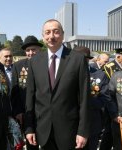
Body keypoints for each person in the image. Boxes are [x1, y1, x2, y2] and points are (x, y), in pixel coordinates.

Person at [24, 19, 90, 150]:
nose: (51, 36)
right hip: (43, 130)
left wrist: (83, 131)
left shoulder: (78, 59)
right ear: (43, 37)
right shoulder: (34, 61)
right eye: (47, 33)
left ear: (63, 35)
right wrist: (29, 127)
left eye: (56, 32)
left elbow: (84, 98)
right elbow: (30, 96)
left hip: (70, 130)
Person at [74, 47, 110, 150]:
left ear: (88, 59)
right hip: (71, 124)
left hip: (92, 123)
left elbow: (104, 99)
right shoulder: (65, 74)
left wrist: (86, 102)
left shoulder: (99, 75)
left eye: (83, 59)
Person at [100, 46, 122, 150]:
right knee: (109, 131)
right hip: (111, 104)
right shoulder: (109, 67)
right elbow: (108, 88)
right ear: (119, 56)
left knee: (119, 134)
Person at [12, 35, 43, 150]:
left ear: (39, 50)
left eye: (33, 49)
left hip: (44, 112)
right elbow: (14, 91)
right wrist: (18, 111)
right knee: (31, 143)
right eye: (28, 50)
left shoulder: (47, 64)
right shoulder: (18, 66)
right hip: (26, 113)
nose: (30, 53)